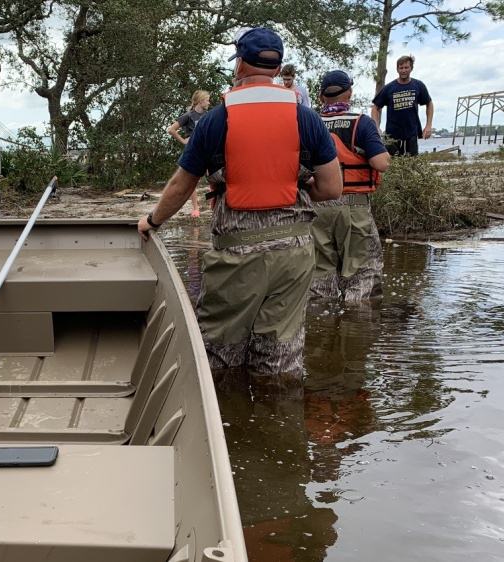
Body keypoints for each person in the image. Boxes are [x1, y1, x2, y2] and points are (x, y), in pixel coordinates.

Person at [138, 27, 342, 389]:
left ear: (241, 64)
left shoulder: (217, 118)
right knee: (279, 359)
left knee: (219, 355)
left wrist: (151, 221)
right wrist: (297, 184)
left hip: (237, 252)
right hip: (294, 255)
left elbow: (182, 186)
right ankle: (278, 433)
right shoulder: (305, 117)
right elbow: (332, 188)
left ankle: (226, 428)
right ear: (277, 69)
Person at [311, 70, 390, 302]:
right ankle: (358, 330)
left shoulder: (309, 121)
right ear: (349, 93)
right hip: (354, 207)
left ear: (321, 96)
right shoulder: (361, 123)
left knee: (318, 274)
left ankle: (321, 327)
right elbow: (380, 163)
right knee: (363, 273)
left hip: (318, 207)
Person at [370, 55, 433, 156]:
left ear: (411, 68)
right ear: (397, 69)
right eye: (401, 68)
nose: (403, 70)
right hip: (392, 136)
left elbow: (429, 103)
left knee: (411, 165)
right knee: (391, 165)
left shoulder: (418, 85)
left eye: (406, 67)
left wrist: (428, 125)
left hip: (411, 134)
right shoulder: (389, 88)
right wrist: (376, 127)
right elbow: (375, 107)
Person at [167, 90, 210, 218]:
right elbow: (171, 129)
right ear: (201, 101)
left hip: (207, 150)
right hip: (193, 151)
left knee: (214, 176)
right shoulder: (188, 116)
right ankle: (196, 208)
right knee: (192, 180)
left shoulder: (208, 115)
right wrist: (184, 141)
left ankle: (214, 202)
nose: (209, 102)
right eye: (207, 99)